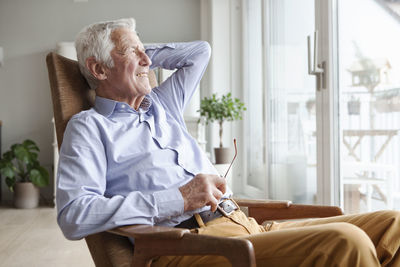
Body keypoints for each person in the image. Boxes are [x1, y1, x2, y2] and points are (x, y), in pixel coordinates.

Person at [56, 18, 400, 267]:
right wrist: (179, 198)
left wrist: (142, 57)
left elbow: (199, 52)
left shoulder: (163, 104)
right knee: (347, 241)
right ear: (98, 69)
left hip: (248, 225)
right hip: (189, 246)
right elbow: (73, 214)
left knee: (393, 225)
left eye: (146, 52)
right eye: (133, 52)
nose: (148, 61)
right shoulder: (90, 128)